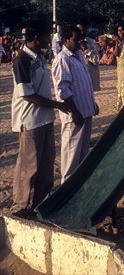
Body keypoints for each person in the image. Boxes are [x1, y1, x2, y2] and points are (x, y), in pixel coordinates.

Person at [10, 19, 70, 217]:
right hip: (30, 121)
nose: (49, 40)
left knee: (46, 165)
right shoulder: (22, 60)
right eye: (46, 36)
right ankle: (19, 207)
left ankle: (39, 204)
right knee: (28, 167)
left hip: (45, 118)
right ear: (36, 38)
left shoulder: (39, 57)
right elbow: (27, 95)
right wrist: (58, 105)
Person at [52, 26, 98, 183]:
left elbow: (84, 83)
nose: (79, 42)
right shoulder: (62, 59)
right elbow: (62, 89)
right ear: (65, 40)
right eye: (75, 39)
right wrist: (75, 112)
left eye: (80, 39)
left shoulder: (78, 55)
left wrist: (92, 104)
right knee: (71, 154)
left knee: (83, 152)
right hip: (74, 115)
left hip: (86, 110)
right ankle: (67, 187)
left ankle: (78, 186)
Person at [76, 21, 101, 92]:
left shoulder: (92, 42)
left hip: (90, 77)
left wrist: (87, 50)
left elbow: (96, 60)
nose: (80, 33)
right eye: (78, 30)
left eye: (82, 30)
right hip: (77, 78)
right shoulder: (71, 44)